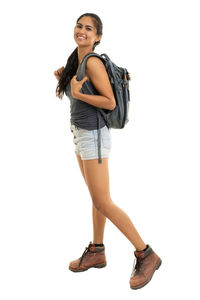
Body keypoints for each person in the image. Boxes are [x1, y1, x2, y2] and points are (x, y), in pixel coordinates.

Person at [54, 12, 162, 290]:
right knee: (97, 197)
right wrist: (66, 82)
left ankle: (146, 254)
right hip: (80, 135)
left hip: (94, 138)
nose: (82, 31)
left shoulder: (92, 62)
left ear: (97, 36)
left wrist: (78, 94)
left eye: (88, 28)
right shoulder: (76, 59)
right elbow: (80, 91)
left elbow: (109, 102)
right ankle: (97, 251)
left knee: (103, 201)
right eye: (79, 26)